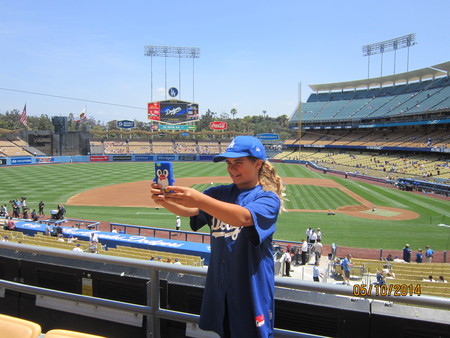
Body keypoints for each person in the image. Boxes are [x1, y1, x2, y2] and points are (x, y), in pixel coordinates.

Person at [150, 135, 284, 338]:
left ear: (258, 164)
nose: (231, 168)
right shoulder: (219, 194)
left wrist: (200, 199)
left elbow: (244, 217)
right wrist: (164, 199)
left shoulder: (267, 198)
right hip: (221, 287)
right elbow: (190, 210)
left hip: (251, 290)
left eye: (238, 162)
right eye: (229, 163)